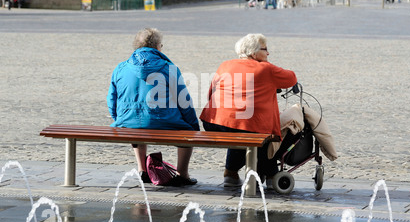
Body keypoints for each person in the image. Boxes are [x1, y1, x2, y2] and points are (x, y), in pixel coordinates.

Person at [200, 34, 297, 186]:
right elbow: (291, 78)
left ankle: (230, 174)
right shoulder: (266, 69)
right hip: (242, 125)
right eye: (265, 50)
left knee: (241, 128)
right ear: (254, 53)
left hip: (213, 122)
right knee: (257, 132)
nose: (268, 53)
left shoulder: (225, 65)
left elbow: (210, 93)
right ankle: (271, 176)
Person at [107, 28, 199, 186]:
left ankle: (142, 169)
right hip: (164, 122)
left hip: (127, 123)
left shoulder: (120, 68)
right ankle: (182, 174)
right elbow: (184, 101)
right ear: (157, 46)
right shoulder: (168, 68)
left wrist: (120, 119)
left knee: (135, 125)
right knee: (187, 131)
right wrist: (193, 126)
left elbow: (111, 100)